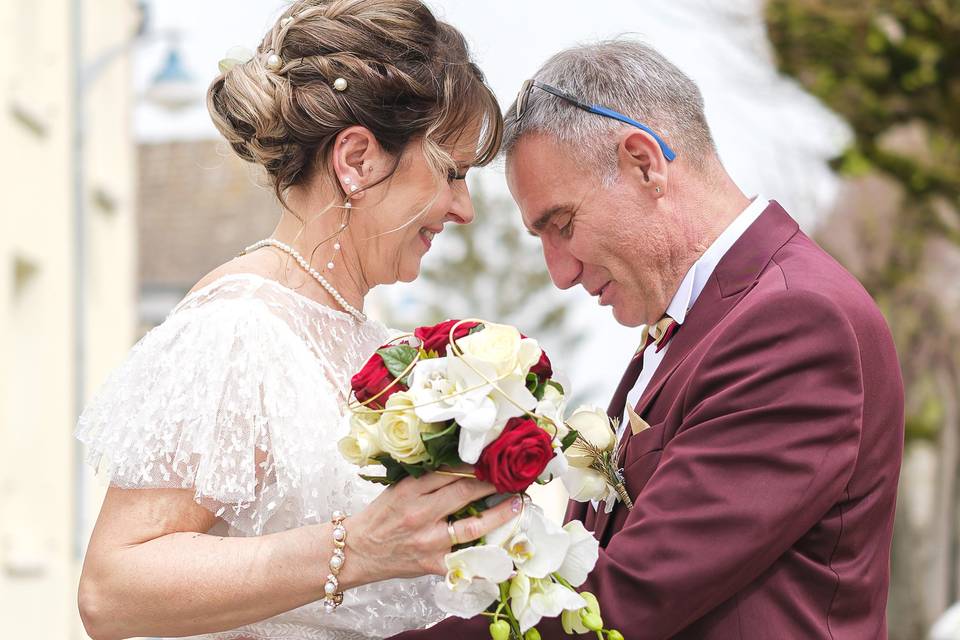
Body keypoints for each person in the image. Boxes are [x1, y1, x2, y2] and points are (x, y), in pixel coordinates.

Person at [394, 40, 904, 639]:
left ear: (644, 163)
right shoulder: (697, 322)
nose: (560, 273)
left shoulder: (796, 323)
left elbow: (625, 598)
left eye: (561, 225)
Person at [74, 1, 518, 639]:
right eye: (452, 173)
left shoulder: (372, 340)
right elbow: (114, 587)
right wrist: (356, 549)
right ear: (357, 159)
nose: (463, 209)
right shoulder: (237, 328)